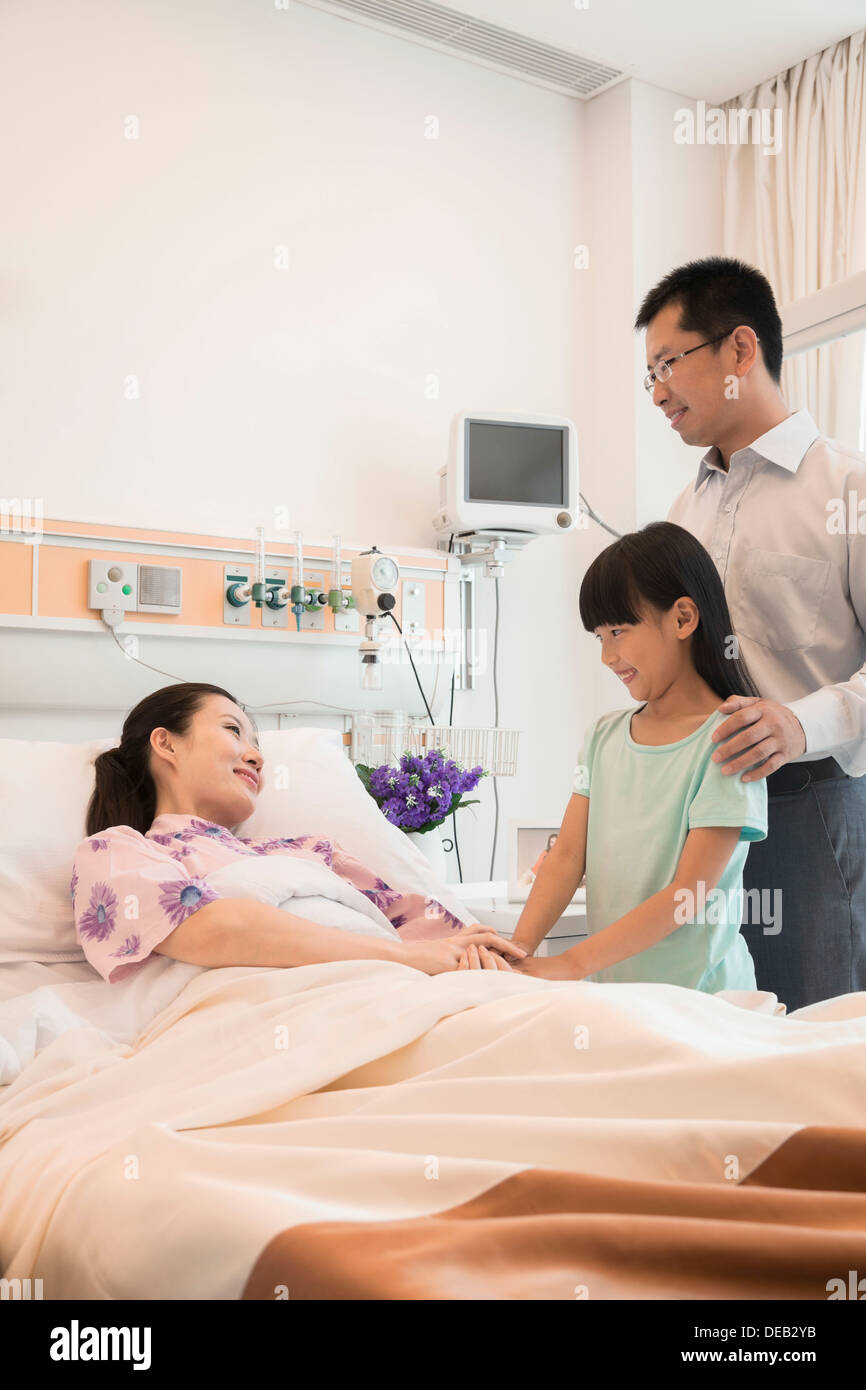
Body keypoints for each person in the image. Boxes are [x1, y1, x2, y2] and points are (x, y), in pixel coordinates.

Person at [634, 256, 866, 1011]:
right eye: (650, 376)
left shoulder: (846, 490)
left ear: (740, 349)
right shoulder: (682, 515)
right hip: (693, 813)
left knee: (815, 1037)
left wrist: (797, 724)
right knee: (708, 1033)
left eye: (669, 363)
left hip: (812, 811)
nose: (659, 392)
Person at [71, 682, 526, 983]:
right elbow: (211, 929)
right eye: (234, 731)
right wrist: (405, 959)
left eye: (258, 746)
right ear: (165, 742)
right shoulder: (117, 852)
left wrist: (482, 955)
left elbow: (419, 928)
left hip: (398, 994)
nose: (256, 757)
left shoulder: (311, 852)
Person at [510, 522, 768, 993]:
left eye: (618, 631)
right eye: (599, 637)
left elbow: (689, 895)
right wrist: (519, 950)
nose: (608, 656)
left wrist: (570, 965)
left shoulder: (730, 742)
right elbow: (567, 856)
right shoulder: (603, 739)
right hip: (621, 1000)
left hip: (705, 1003)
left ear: (683, 619)